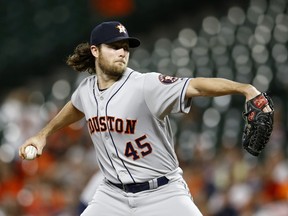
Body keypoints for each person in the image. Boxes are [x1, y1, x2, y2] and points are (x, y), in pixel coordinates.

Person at [19, 21, 272, 216]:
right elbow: (76, 106)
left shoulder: (145, 85)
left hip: (162, 192)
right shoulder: (86, 90)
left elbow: (196, 86)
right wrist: (43, 135)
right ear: (95, 51)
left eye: (125, 48)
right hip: (112, 195)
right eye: (115, 47)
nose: (122, 53)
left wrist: (245, 89)